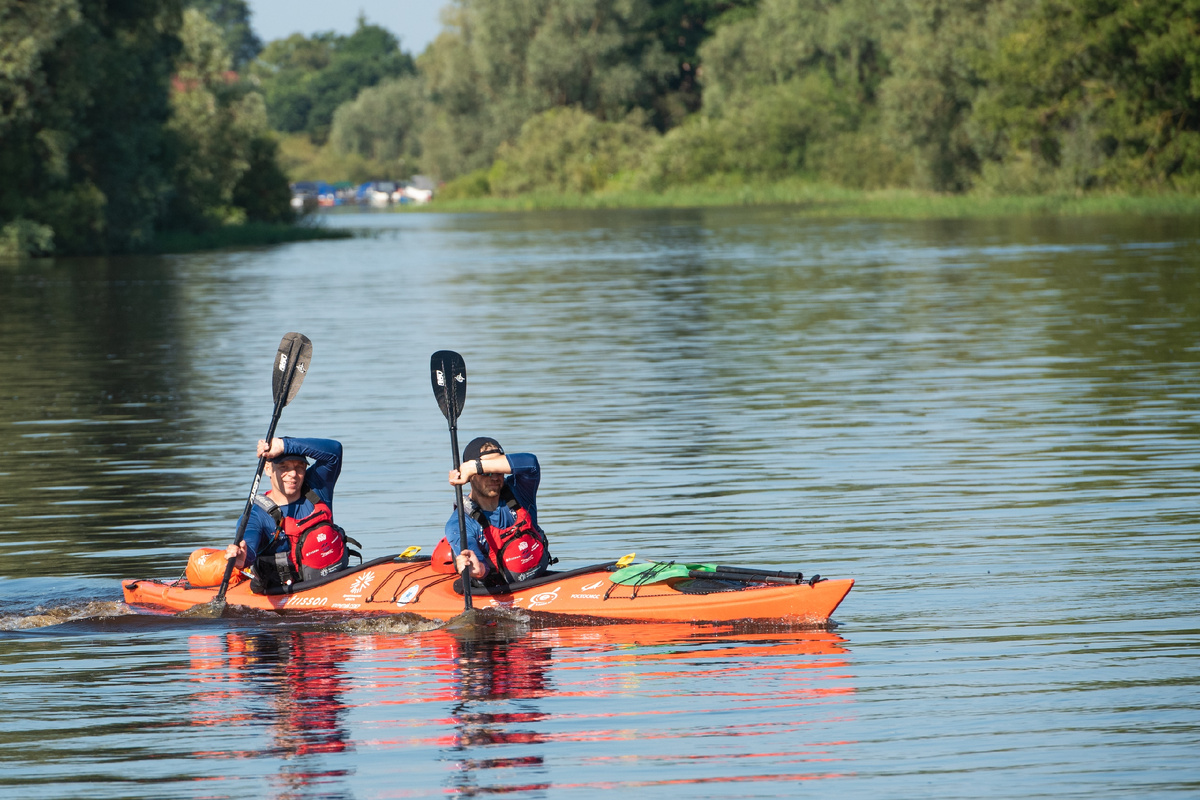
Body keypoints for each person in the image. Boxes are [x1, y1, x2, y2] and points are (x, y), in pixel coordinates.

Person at [224, 436, 354, 588]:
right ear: (268, 469)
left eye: (299, 466)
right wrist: (243, 558)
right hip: (288, 591)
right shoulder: (256, 515)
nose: (293, 474)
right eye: (284, 467)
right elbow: (249, 545)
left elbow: (335, 451)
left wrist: (284, 444)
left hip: (339, 579)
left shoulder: (318, 487)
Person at [434, 436, 553, 585]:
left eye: (497, 469)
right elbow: (476, 561)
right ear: (469, 477)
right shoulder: (460, 523)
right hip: (502, 591)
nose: (495, 477)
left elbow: (531, 463)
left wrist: (475, 467)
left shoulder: (520, 491)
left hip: (542, 580)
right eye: (486, 472)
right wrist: (478, 570)